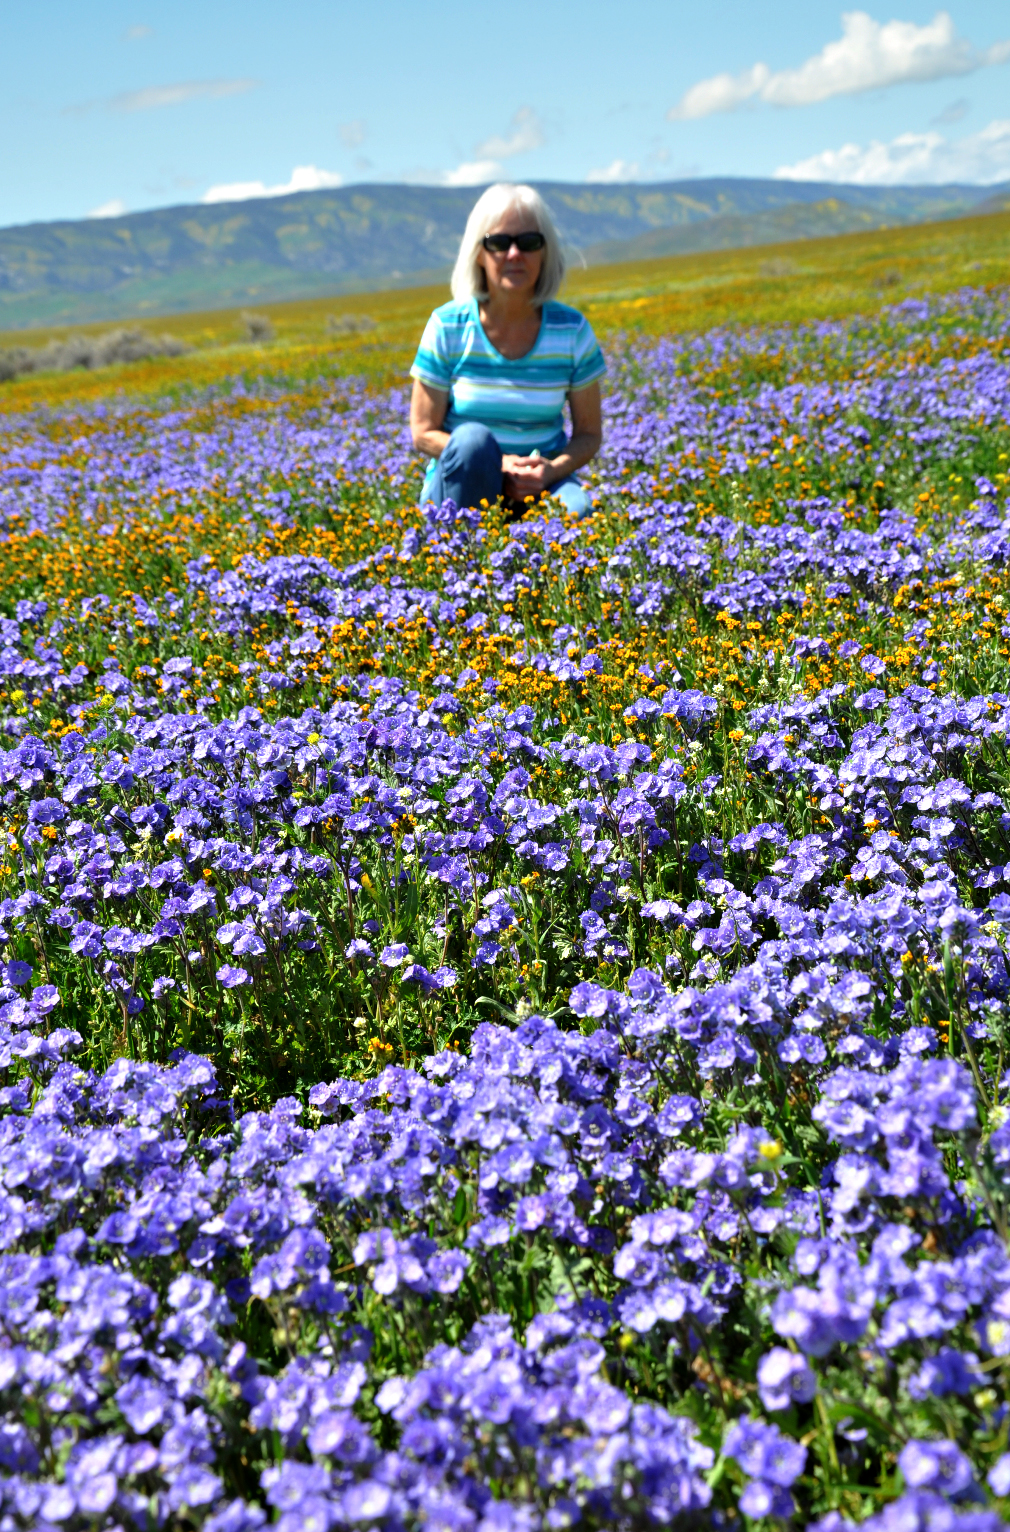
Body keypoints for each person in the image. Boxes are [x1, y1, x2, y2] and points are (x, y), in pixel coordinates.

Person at [409, 183, 605, 518]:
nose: (514, 254)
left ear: (546, 252)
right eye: (499, 243)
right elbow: (423, 432)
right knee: (471, 441)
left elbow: (588, 434)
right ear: (478, 254)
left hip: (542, 481)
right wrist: (497, 465)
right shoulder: (447, 326)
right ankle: (457, 546)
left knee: (577, 513)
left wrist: (551, 469)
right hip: (465, 481)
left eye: (529, 242)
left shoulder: (572, 330)